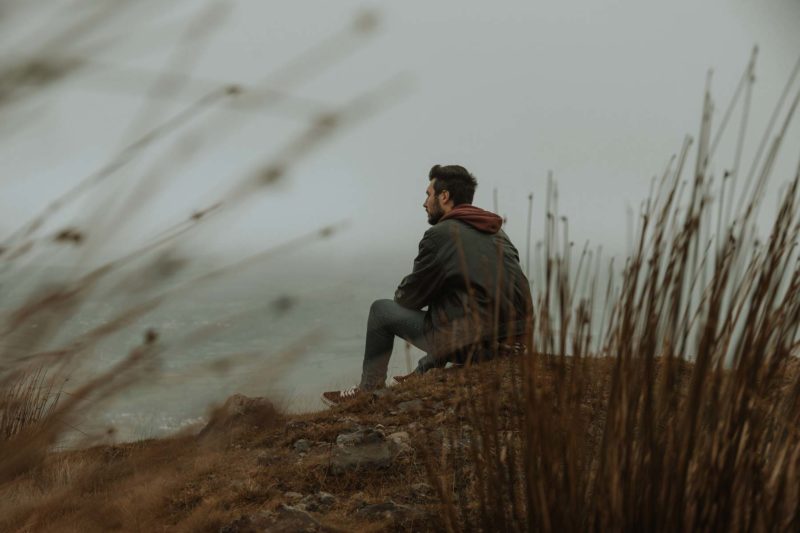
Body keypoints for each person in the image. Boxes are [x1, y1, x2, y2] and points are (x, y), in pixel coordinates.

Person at [322, 164, 532, 405]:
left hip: (474, 345)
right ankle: (428, 366)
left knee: (380, 311)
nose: (424, 203)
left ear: (444, 196)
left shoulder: (440, 234)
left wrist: (427, 286)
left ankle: (368, 391)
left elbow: (408, 299)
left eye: (428, 194)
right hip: (515, 342)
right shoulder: (497, 233)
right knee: (457, 300)